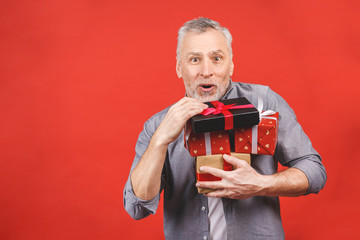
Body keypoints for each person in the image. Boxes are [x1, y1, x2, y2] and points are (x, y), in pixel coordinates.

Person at [123, 17, 326, 240]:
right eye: (194, 59)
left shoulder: (264, 103)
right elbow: (137, 207)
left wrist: (261, 184)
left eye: (216, 58)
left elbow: (315, 172)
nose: (206, 70)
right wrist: (160, 140)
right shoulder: (158, 125)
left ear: (230, 65)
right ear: (179, 67)